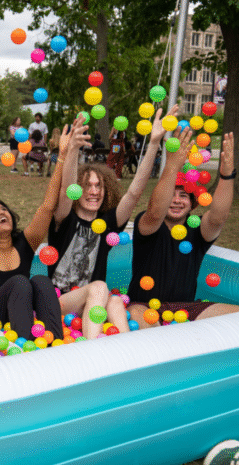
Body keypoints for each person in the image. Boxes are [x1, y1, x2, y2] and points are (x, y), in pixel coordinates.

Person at [49, 107, 171, 338]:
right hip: (58, 303)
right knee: (100, 288)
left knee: (115, 301)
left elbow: (134, 193)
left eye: (99, 186)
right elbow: (66, 190)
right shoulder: (65, 218)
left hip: (91, 306)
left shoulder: (108, 222)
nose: (93, 191)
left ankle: (127, 353)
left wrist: (154, 143)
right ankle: (93, 349)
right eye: (87, 186)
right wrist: (73, 149)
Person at [127, 130, 239, 328]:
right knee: (144, 322)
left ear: (192, 204)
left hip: (185, 309)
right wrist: (172, 167)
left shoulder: (198, 230)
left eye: (183, 196)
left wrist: (226, 174)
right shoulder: (148, 224)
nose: (175, 200)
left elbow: (218, 217)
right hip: (143, 306)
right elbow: (156, 211)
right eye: (172, 194)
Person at [0, 119, 64, 342]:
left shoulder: (24, 243)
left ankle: (57, 345)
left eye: (4, 209)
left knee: (41, 280)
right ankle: (26, 351)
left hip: (16, 321)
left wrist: (62, 157)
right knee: (20, 282)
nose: (1, 212)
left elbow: (47, 208)